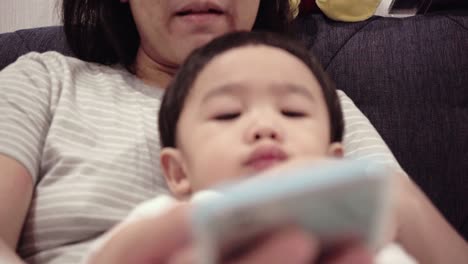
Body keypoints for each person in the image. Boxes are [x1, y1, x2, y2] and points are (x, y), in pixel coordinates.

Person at [0, 0, 466, 263]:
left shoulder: (320, 104)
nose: (266, 127)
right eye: (226, 115)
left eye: (289, 111)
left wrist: (388, 197)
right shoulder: (45, 80)